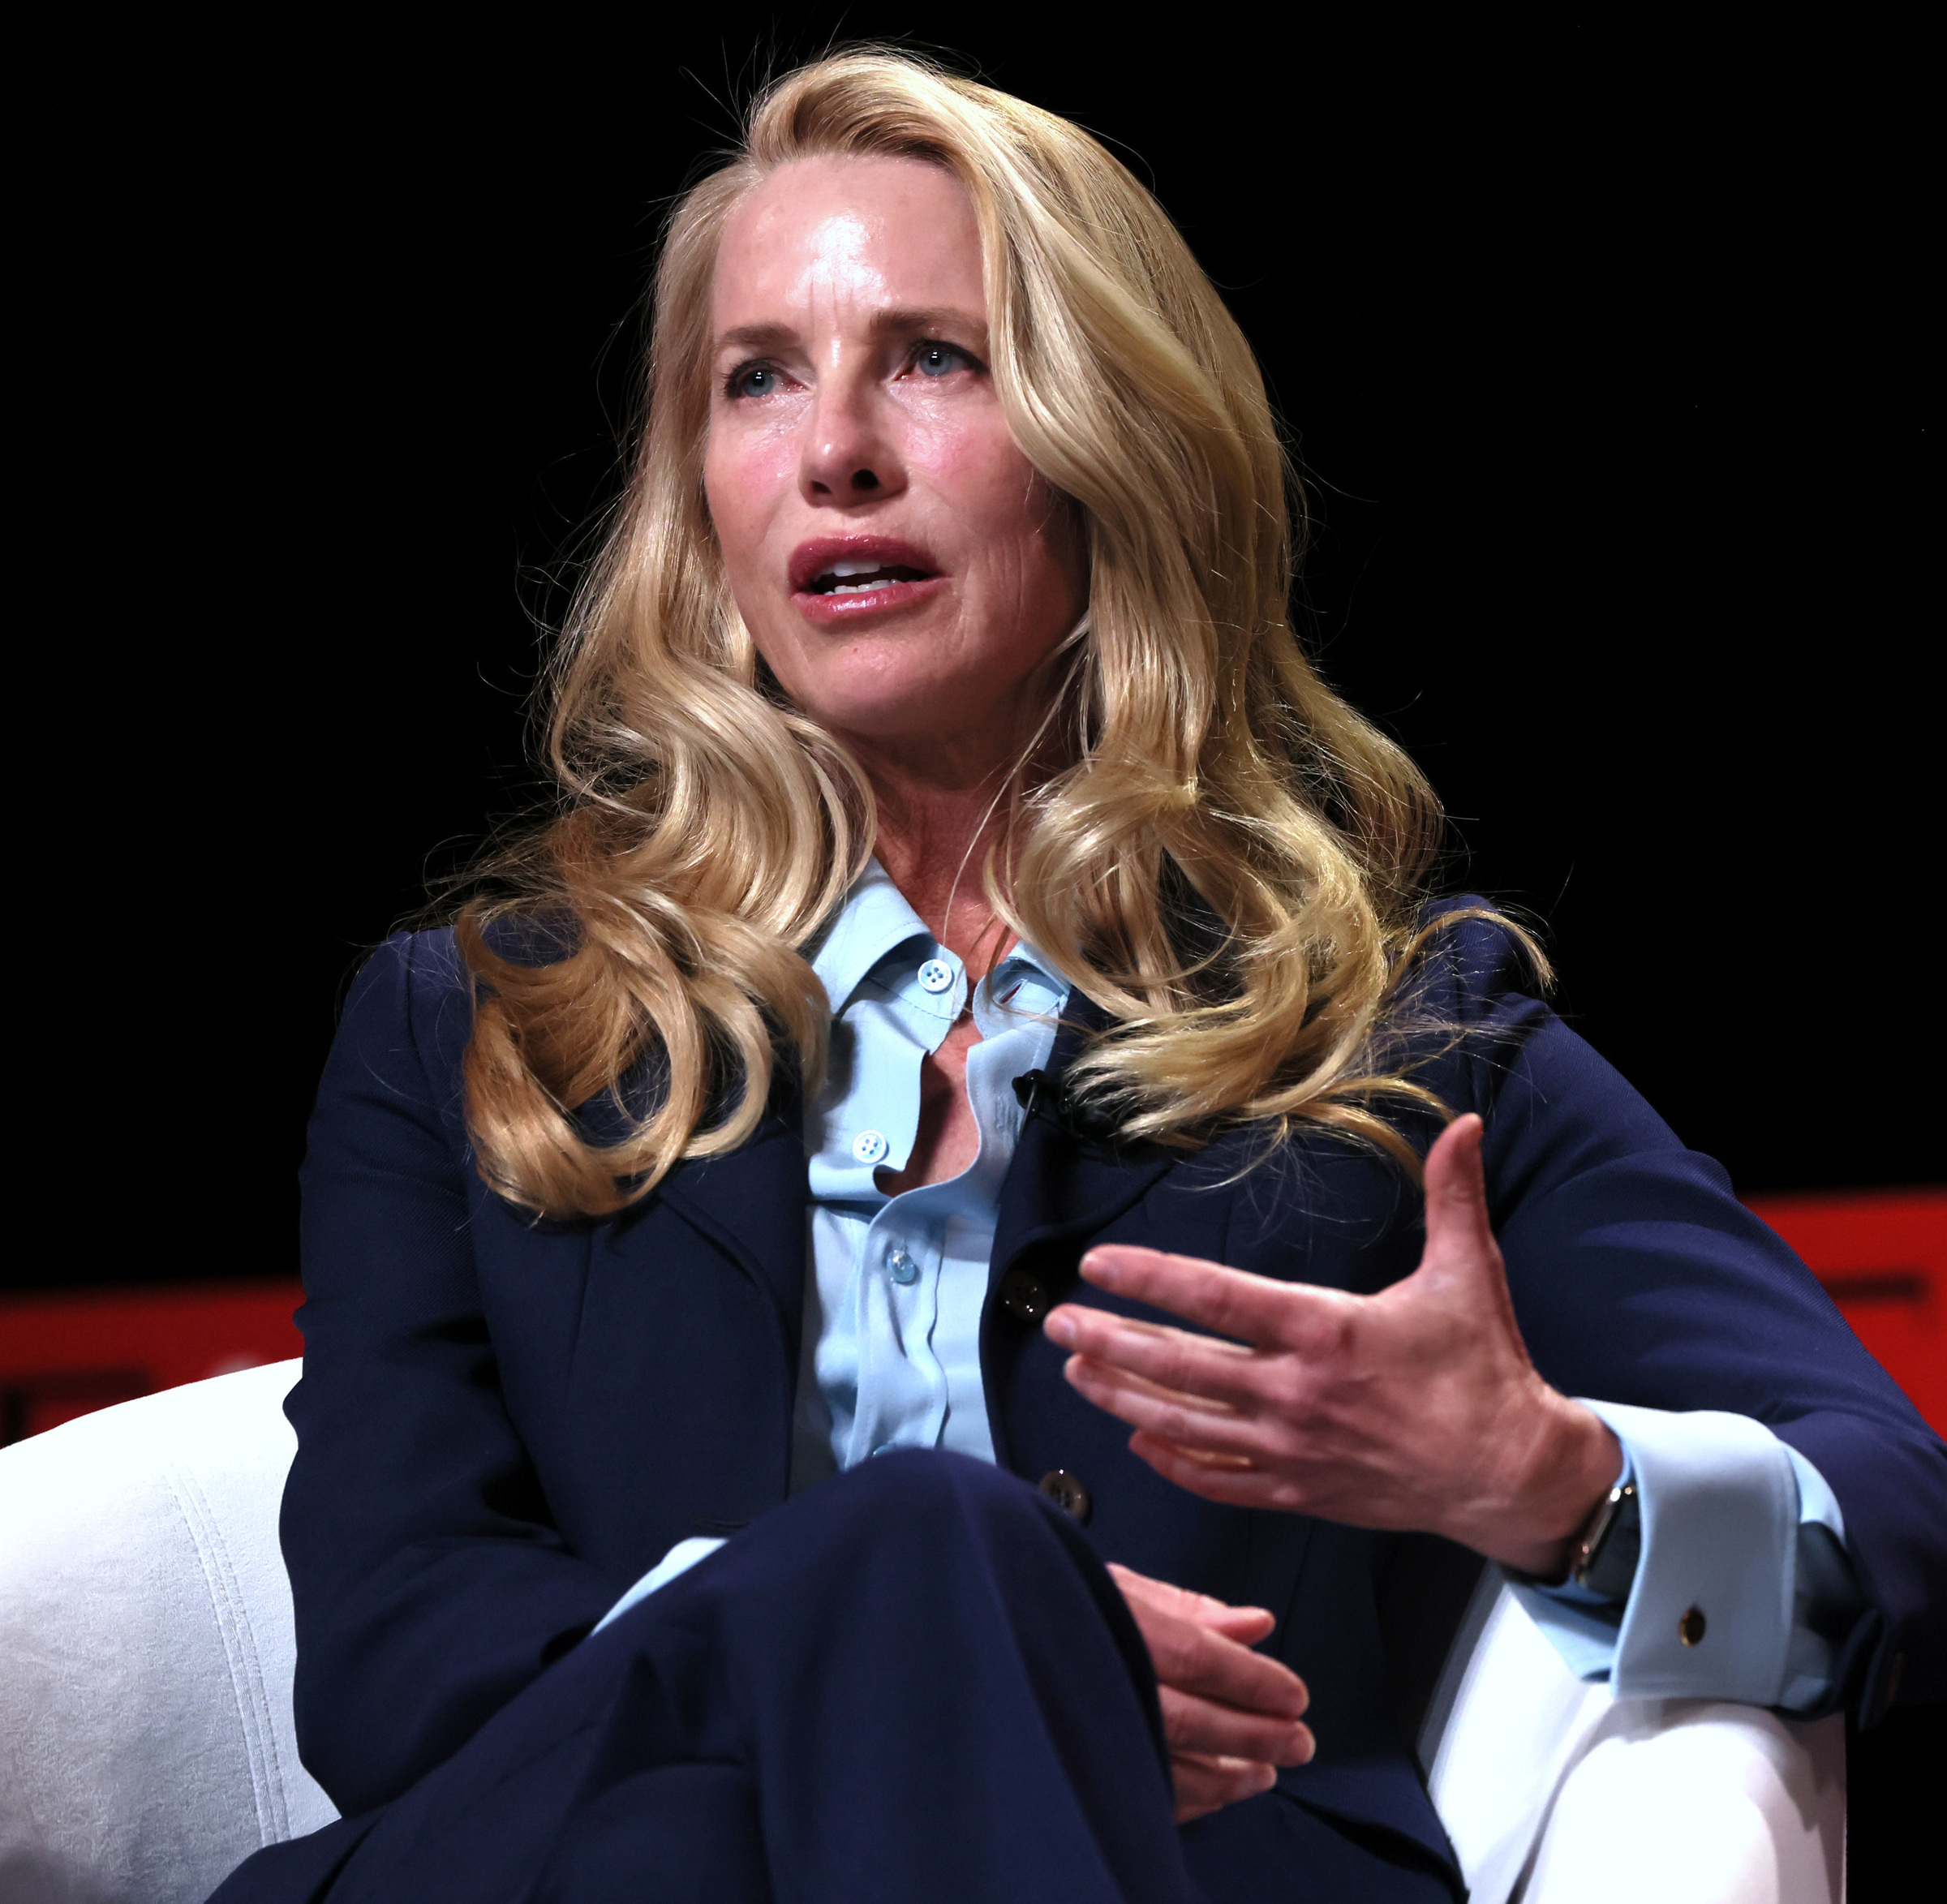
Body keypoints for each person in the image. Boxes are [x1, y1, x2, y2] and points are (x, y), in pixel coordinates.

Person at [215, 49, 1945, 1904]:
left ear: (1112, 447)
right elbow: (398, 1664)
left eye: (933, 358)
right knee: (915, 1573)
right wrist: (920, 1629)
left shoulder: (1394, 1040)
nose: (835, 450)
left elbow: (1904, 1528)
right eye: (758, 378)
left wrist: (1549, 1480)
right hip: (592, 1866)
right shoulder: (478, 1028)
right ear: (699, 503)